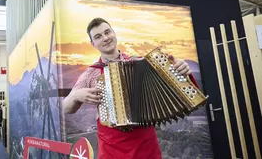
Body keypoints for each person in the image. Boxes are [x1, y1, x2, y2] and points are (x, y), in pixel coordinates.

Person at [63, 18, 195, 159]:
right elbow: (66, 108)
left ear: (114, 33)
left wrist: (182, 71)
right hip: (112, 149)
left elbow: (175, 88)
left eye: (107, 32)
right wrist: (76, 95)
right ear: (93, 44)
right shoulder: (91, 73)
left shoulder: (142, 63)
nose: (105, 38)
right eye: (98, 36)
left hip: (147, 144)